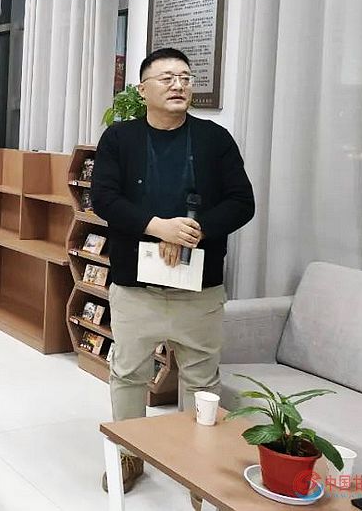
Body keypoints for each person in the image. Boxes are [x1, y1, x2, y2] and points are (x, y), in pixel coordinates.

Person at [91, 48, 254, 497]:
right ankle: (129, 456)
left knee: (201, 380)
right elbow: (104, 198)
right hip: (137, 285)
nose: (178, 84)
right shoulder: (119, 138)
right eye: (166, 78)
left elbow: (242, 202)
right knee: (129, 374)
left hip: (198, 288)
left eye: (185, 77)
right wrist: (157, 226)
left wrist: (193, 231)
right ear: (142, 90)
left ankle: (197, 465)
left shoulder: (215, 139)